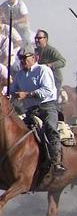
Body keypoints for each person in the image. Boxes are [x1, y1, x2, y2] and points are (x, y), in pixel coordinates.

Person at [11, 45, 65, 173]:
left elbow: (47, 90)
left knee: (50, 128)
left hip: (46, 108)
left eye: (25, 58)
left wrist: (26, 94)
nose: (23, 60)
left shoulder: (43, 70)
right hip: (30, 111)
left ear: (34, 58)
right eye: (20, 58)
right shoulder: (19, 75)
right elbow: (12, 90)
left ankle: (56, 162)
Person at [35, 29, 66, 96]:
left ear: (46, 39)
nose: (37, 40)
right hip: (40, 80)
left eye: (39, 38)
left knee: (53, 101)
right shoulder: (34, 52)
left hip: (54, 80)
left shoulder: (51, 51)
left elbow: (62, 61)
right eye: (36, 38)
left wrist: (50, 65)